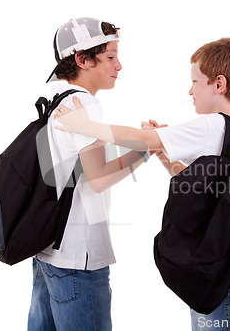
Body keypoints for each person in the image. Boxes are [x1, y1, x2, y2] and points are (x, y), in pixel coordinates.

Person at [55, 37, 230, 331]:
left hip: (217, 261)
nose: (190, 90)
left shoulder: (210, 125)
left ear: (219, 84)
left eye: (195, 81)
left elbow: (141, 140)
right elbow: (196, 186)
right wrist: (165, 151)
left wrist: (82, 125)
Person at [27, 17, 149, 331]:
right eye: (110, 57)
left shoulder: (53, 98)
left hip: (46, 248)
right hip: (78, 257)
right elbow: (99, 178)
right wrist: (145, 151)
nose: (118, 66)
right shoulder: (84, 103)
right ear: (82, 59)